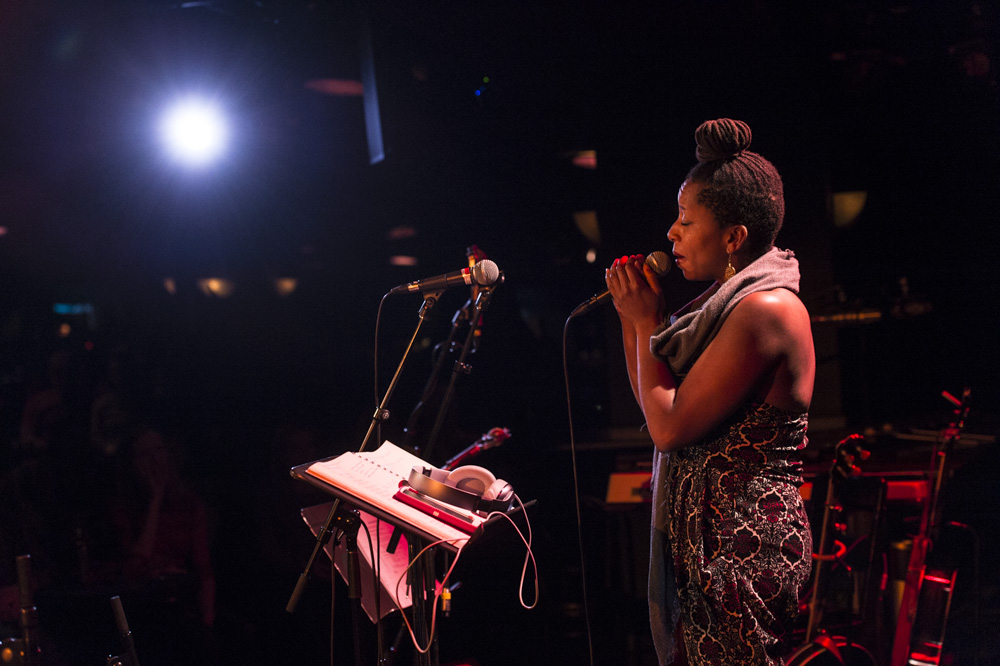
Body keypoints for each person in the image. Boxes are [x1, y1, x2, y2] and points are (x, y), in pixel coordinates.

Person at [605, 118, 814, 664]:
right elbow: (660, 408)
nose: (671, 232)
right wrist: (636, 324)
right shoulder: (721, 312)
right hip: (711, 549)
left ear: (733, 237)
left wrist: (647, 322)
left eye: (686, 220)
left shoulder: (765, 311)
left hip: (743, 554)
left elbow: (669, 428)